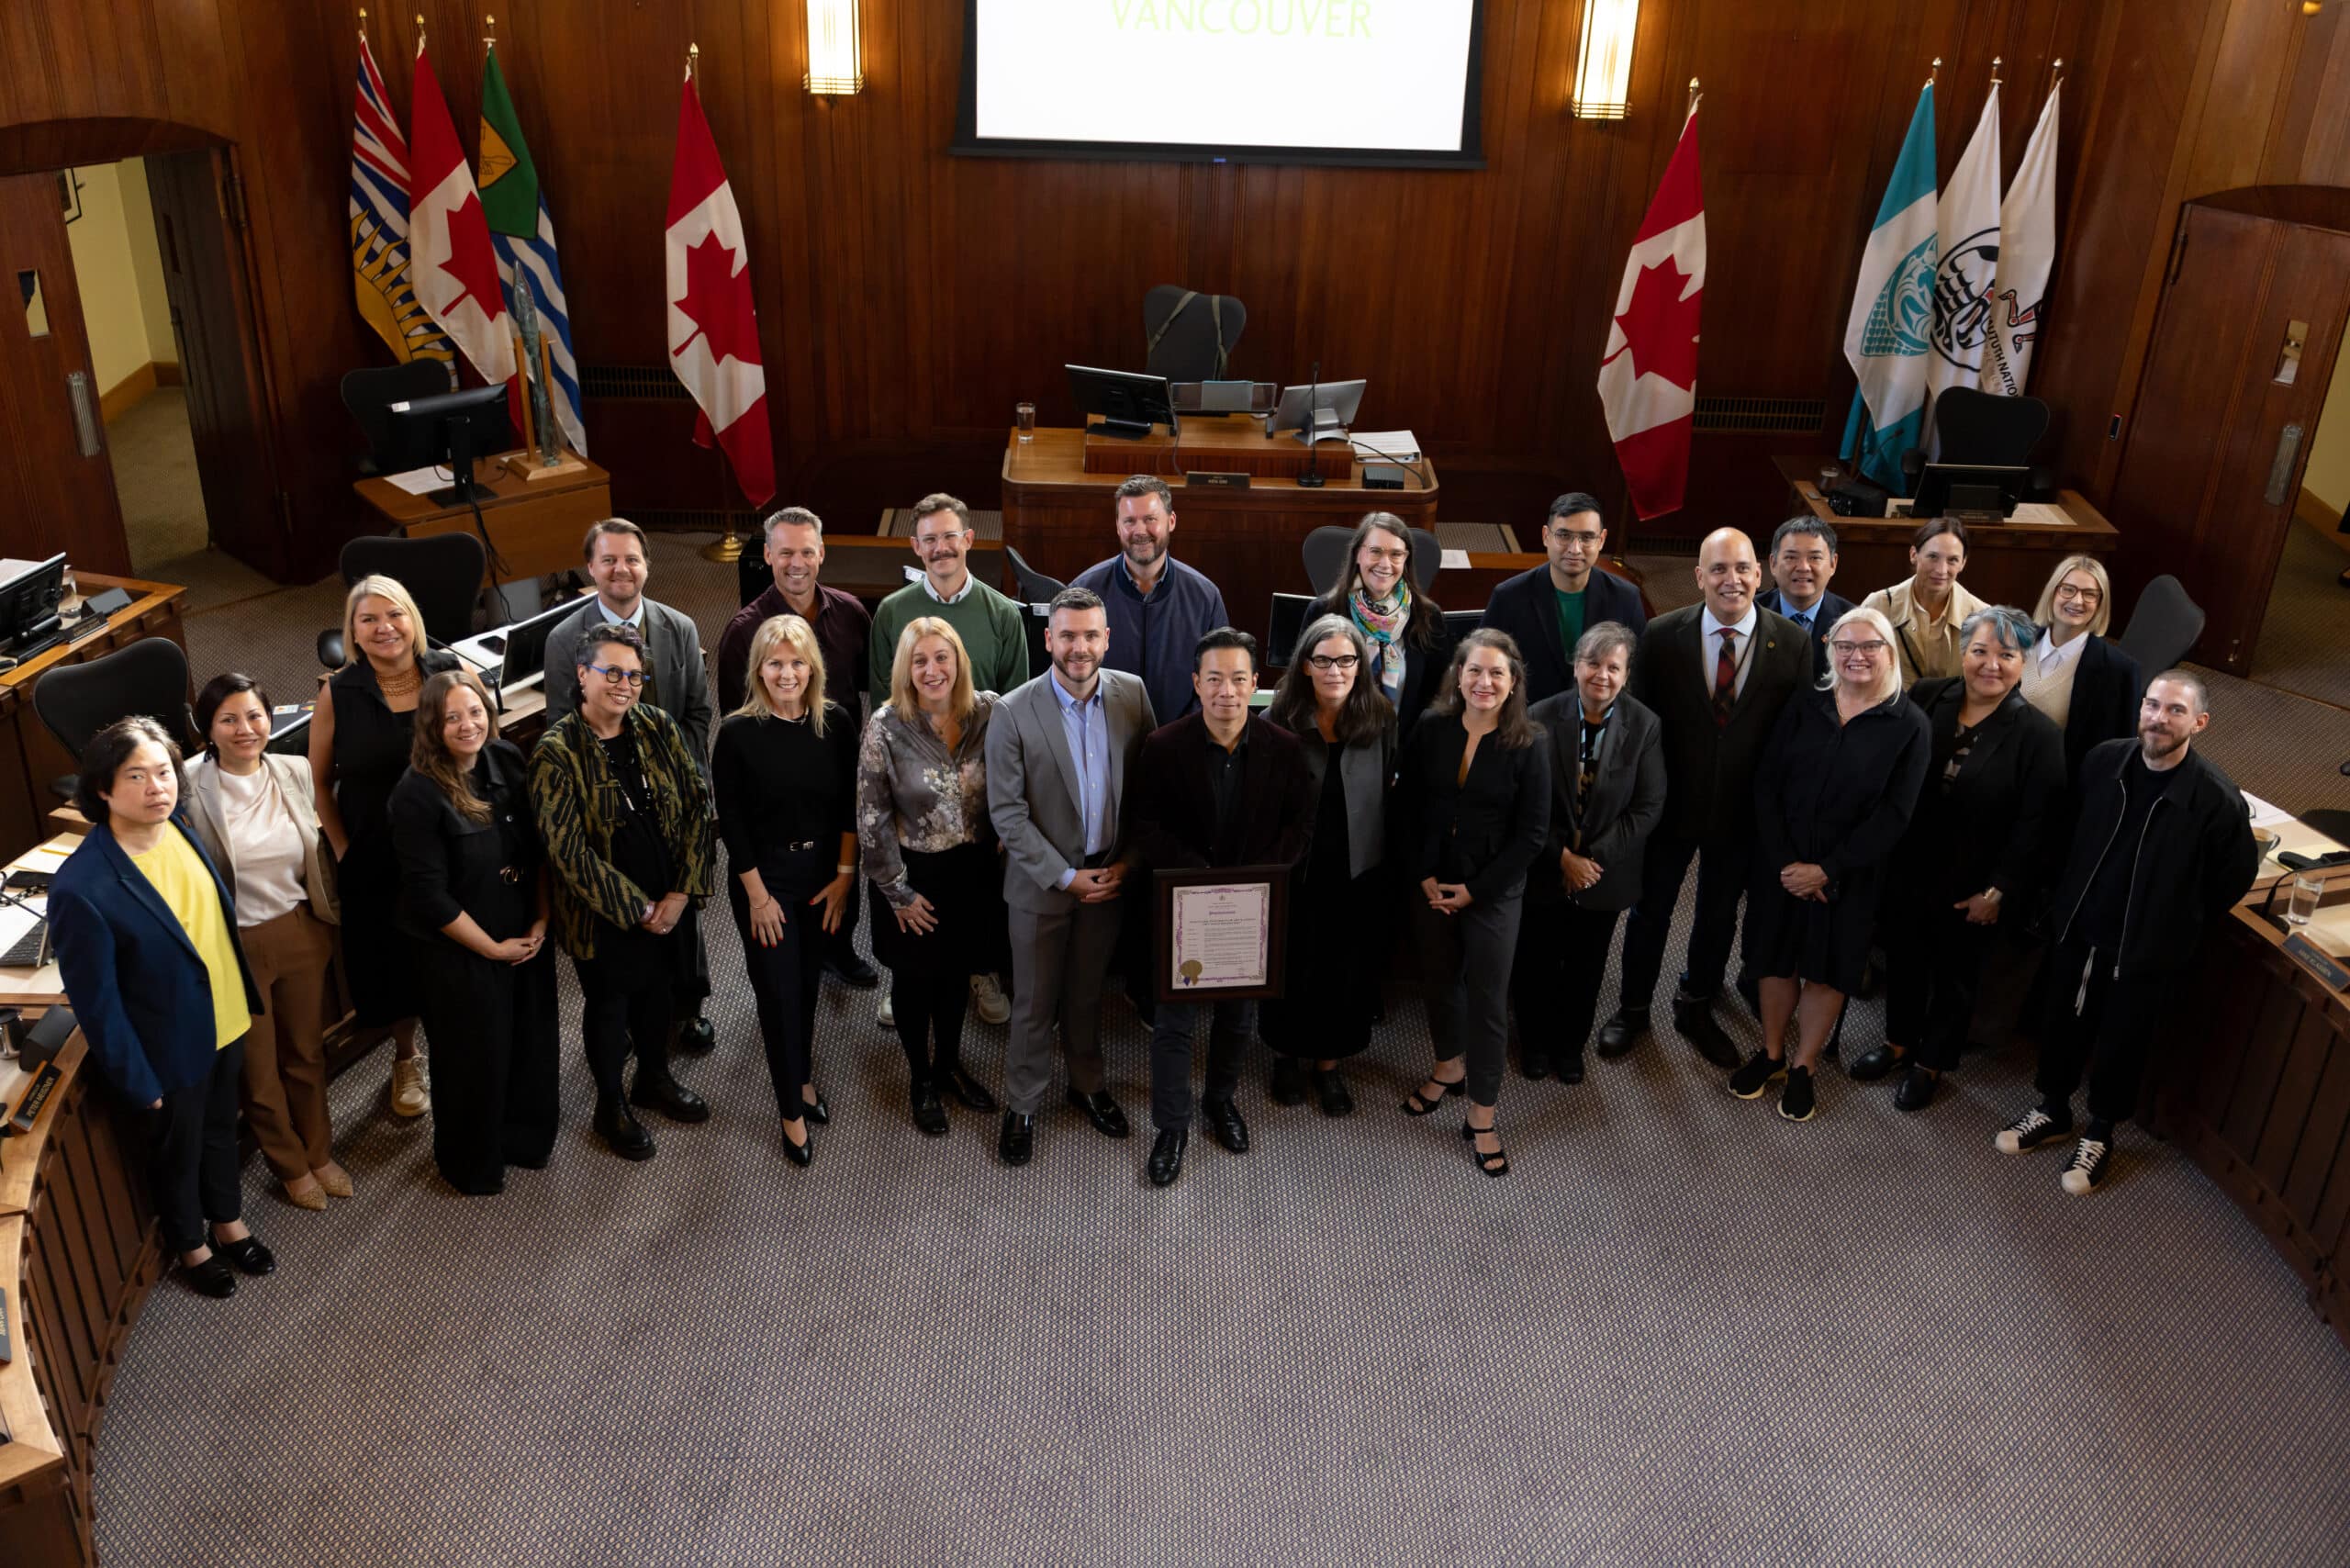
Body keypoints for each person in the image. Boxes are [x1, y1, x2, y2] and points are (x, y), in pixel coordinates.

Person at [1994, 671, 2259, 1194]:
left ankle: (2099, 1132)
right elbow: (2066, 832)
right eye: (2152, 706)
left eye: (2175, 711)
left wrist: (2174, 920)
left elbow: (2232, 879)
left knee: (2122, 1044)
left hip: (2144, 950)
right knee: (2062, 1026)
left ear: (2199, 723)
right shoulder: (2103, 761)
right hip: (2079, 928)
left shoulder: (2215, 801)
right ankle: (2052, 1110)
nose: (2159, 719)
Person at [50, 717, 272, 1299]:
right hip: (166, 1047)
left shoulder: (176, 825)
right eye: (137, 776)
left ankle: (227, 1221)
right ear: (103, 789)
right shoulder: (82, 887)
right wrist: (137, 1078)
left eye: (165, 772)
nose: (158, 787)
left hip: (226, 1018)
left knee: (223, 1129)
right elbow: (97, 1002)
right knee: (179, 1150)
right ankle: (190, 1243)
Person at [1605, 529, 1811, 1067]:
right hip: (1670, 809)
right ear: (1698, 577)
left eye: (1741, 568)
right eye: (1718, 569)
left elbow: (1794, 737)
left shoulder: (1791, 642)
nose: (1731, 579)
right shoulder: (1662, 634)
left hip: (1743, 816)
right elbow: (1638, 725)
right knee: (1650, 913)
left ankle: (1696, 1005)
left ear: (1758, 574)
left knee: (1718, 917)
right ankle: (1632, 1008)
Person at [1857, 607, 2065, 1111]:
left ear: (2024, 662)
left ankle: (1931, 1062)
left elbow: (2038, 827)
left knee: (1955, 977)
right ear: (1963, 653)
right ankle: (1898, 1042)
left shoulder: (2038, 734)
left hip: (1974, 884)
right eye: (1980, 651)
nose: (1990, 664)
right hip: (1909, 869)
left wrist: (1998, 890)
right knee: (1904, 960)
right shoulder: (1930, 696)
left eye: (2006, 654)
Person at [1729, 606, 1930, 1122]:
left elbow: (1895, 814)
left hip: (1849, 878)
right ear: (1830, 651)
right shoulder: (1805, 704)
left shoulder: (1909, 724)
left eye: (1870, 647)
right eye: (1845, 646)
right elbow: (1767, 782)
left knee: (1826, 972)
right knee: (1774, 960)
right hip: (1781, 868)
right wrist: (1787, 864)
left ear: (1889, 654)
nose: (1856, 656)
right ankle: (1773, 1052)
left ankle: (1804, 1064)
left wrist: (1827, 870)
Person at [1129, 628, 1314, 1187]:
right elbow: (1146, 824)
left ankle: (1220, 1100)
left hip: (1251, 911)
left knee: (1239, 1017)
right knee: (1174, 1023)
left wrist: (1255, 878)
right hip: (1184, 909)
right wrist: (1199, 877)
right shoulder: (1163, 747)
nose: (1227, 691)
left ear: (1255, 684)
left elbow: (1299, 826)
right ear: (1196, 684)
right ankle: (1173, 1125)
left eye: (1238, 679)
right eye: (1215, 679)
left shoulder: (1285, 749)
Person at [532, 622, 716, 1160]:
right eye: (612, 672)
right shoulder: (555, 752)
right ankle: (610, 1104)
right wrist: (638, 909)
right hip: (605, 913)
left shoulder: (657, 724)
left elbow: (698, 808)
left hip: (667, 898)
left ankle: (653, 1079)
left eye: (634, 675)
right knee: (611, 1009)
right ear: (581, 676)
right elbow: (568, 853)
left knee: (660, 996)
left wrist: (680, 895)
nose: (625, 684)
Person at [986, 586, 1157, 1166]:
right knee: (1033, 1002)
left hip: (1108, 880)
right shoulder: (1012, 710)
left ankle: (1086, 1084)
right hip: (1041, 886)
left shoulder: (1133, 695)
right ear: (1048, 639)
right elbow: (1006, 814)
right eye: (1068, 635)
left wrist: (1127, 865)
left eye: (1090, 635)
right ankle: (1024, 1102)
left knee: (1086, 996)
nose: (1079, 647)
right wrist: (1064, 877)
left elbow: (1146, 794)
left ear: (1106, 639)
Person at [543, 518, 721, 1057]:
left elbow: (696, 711)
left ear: (647, 565)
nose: (622, 569)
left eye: (632, 559)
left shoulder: (680, 627)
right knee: (626, 916)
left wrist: (680, 782)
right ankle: (631, 1016)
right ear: (591, 567)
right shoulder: (562, 640)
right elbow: (559, 723)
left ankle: (687, 1008)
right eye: (609, 559)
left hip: (673, 793)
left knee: (680, 911)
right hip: (606, 802)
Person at [389, 669, 557, 1194]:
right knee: (473, 1057)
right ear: (431, 725)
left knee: (530, 1040)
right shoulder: (415, 794)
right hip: (459, 950)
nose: (468, 725)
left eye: (476, 712)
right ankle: (473, 1164)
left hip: (522, 932)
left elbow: (537, 848)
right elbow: (428, 896)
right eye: (452, 717)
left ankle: (526, 1141)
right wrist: (491, 949)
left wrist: (542, 919)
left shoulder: (506, 758)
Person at [184, 674, 346, 1212]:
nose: (245, 729)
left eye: (254, 716)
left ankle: (320, 1154)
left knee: (305, 1053)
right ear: (207, 727)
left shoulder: (293, 769)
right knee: (258, 1070)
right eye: (228, 719)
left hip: (301, 928)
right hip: (234, 946)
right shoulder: (186, 785)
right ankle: (291, 1166)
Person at [867, 493, 1026, 1029]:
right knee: (916, 881)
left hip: (978, 783)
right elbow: (881, 705)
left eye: (949, 536)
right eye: (928, 539)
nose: (940, 548)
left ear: (968, 540)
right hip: (913, 782)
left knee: (975, 892)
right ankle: (905, 974)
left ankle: (980, 970)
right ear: (916, 546)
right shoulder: (891, 612)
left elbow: (1014, 717)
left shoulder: (1002, 613)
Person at [1394, 629, 1550, 1177]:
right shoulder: (1431, 728)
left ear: (1513, 684)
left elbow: (1532, 836)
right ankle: (1447, 1067)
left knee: (1487, 1001)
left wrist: (1476, 890)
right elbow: (1406, 806)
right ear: (1457, 676)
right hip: (1432, 884)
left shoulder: (1531, 742)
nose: (1484, 682)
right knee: (1438, 981)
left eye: (1497, 674)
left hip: (1492, 893)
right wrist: (1424, 877)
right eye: (1475, 671)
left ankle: (1482, 1114)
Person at [714, 614, 858, 1165]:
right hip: (764, 882)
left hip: (824, 877)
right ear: (758, 670)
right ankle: (790, 1113)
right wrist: (757, 897)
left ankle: (800, 1079)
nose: (787, 673)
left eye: (797, 662)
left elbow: (850, 806)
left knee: (806, 987)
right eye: (775, 663)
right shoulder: (737, 733)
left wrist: (845, 879)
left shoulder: (836, 723)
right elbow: (732, 822)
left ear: (813, 668)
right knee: (777, 996)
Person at [716, 506, 878, 992]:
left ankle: (839, 946)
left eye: (807, 551)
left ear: (822, 553)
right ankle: (805, 951)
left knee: (842, 864)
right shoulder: (743, 634)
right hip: (777, 784)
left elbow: (866, 690)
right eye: (785, 552)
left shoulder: (851, 613)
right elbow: (735, 727)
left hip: (836, 765)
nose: (797, 562)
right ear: (767, 555)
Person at [309, 574, 454, 1118]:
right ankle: (407, 1056)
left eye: (393, 614)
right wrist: (345, 849)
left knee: (453, 951)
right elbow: (319, 784)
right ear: (352, 631)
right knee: (393, 965)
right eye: (367, 619)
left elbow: (483, 755)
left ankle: (460, 1049)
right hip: (376, 854)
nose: (383, 628)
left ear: (412, 618)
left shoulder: (450, 674)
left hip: (447, 846)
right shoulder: (338, 692)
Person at [857, 617, 1007, 1136]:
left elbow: (1017, 777)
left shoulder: (989, 712)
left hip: (974, 873)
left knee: (957, 975)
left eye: (941, 657)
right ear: (905, 669)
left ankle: (948, 1064)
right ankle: (921, 1078)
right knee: (916, 981)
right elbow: (870, 815)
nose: (932, 669)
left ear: (958, 661)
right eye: (919, 660)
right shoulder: (885, 725)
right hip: (913, 875)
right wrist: (898, 893)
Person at [1258, 614, 1397, 1115]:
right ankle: (1287, 1056)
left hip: (1357, 864)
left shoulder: (1380, 716)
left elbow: (1385, 790)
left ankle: (1329, 1064)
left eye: (1345, 660)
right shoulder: (1280, 716)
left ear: (1360, 665)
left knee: (1344, 966)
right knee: (1294, 962)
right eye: (1323, 660)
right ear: (1306, 665)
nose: (1335, 670)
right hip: (1296, 865)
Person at [1516, 623, 1664, 1085]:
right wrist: (1562, 858)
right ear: (1576, 666)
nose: (1602, 675)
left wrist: (1590, 861)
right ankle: (1534, 1043)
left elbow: (1648, 806)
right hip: (1544, 866)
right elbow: (1524, 802)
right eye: (1593, 664)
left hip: (1605, 873)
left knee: (1586, 965)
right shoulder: (1539, 716)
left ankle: (1569, 1046)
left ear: (1625, 674)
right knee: (1536, 959)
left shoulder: (1644, 726)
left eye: (1613, 666)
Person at [1070, 474, 1230, 725]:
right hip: (1101, 740)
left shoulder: (1205, 597)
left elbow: (1219, 679)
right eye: (1130, 521)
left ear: (1171, 521)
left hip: (1181, 745)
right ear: (1117, 526)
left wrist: (1180, 736)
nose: (1140, 531)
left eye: (1150, 519)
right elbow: (1067, 675)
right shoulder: (1085, 590)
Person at [1476, 490, 1648, 704]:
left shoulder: (1626, 598)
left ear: (1601, 540)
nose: (1575, 549)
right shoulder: (1508, 597)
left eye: (1587, 537)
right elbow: (1482, 668)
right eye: (1564, 535)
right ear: (1546, 536)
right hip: (1525, 722)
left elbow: (1640, 675)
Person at [1307, 510, 1452, 739]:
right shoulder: (1324, 611)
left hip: (1405, 750)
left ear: (1405, 561)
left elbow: (1440, 693)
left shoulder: (1428, 616)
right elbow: (1303, 686)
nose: (1385, 564)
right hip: (1337, 744)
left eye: (1396, 554)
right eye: (1375, 552)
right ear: (1357, 555)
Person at [2021, 554, 2144, 781]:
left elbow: (2117, 757)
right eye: (2068, 589)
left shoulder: (2119, 671)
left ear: (2100, 605)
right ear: (2052, 593)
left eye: (2089, 595)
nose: (2077, 601)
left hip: (2057, 789)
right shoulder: (2016, 642)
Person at [1863, 517, 1987, 688]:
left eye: (1952, 560)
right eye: (1933, 557)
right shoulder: (1878, 605)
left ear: (1963, 563)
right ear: (1914, 555)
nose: (1941, 570)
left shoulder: (1982, 616)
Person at [1755, 515, 1856, 680]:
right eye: (1791, 557)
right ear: (1773, 564)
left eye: (1814, 558)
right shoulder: (1750, 612)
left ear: (1833, 564)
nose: (1803, 567)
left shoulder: (1852, 621)